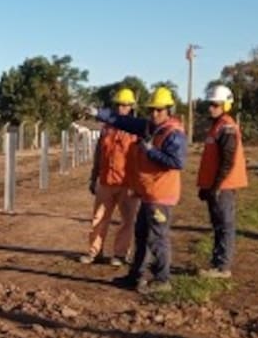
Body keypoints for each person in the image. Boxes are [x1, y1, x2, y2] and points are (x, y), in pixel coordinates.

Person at [93, 86, 187, 294]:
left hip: (161, 195)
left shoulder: (174, 134)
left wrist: (151, 151)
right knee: (142, 234)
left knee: (157, 238)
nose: (154, 114)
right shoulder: (151, 128)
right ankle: (136, 275)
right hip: (148, 193)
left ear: (169, 110)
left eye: (159, 110)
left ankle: (162, 279)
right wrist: (98, 113)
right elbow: (124, 121)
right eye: (152, 110)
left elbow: (177, 162)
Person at [80, 87, 141, 266]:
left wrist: (138, 184)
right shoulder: (107, 128)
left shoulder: (137, 129)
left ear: (131, 107)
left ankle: (120, 254)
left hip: (127, 183)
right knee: (99, 218)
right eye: (118, 105)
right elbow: (99, 154)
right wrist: (94, 178)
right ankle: (94, 252)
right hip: (106, 181)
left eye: (125, 105)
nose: (121, 108)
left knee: (127, 221)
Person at [196, 84, 248, 278]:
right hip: (216, 186)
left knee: (224, 224)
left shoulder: (226, 127)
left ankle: (222, 267)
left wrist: (216, 186)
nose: (211, 108)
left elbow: (227, 160)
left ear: (225, 105)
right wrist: (206, 186)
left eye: (215, 104)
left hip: (223, 187)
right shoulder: (217, 126)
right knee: (218, 225)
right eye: (210, 104)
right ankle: (217, 264)